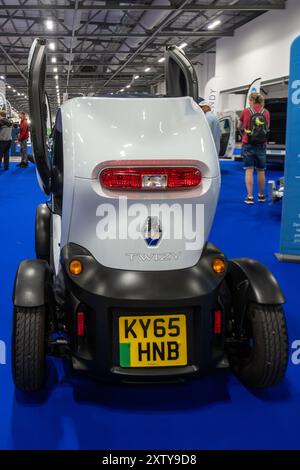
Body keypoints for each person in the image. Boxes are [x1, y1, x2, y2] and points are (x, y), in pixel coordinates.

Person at [238, 92, 270, 204]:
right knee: (261, 170)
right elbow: (267, 127)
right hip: (261, 144)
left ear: (251, 100)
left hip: (248, 143)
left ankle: (250, 197)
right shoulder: (265, 112)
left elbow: (239, 126)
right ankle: (261, 196)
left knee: (249, 170)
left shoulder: (246, 111)